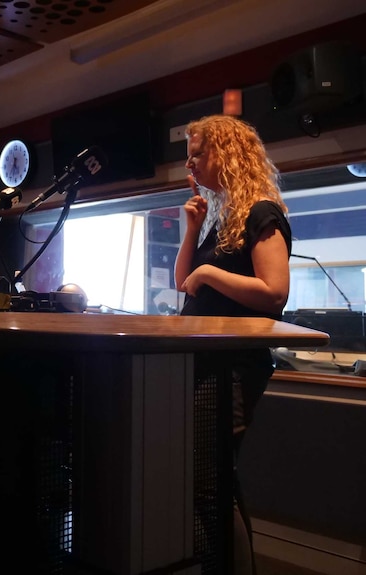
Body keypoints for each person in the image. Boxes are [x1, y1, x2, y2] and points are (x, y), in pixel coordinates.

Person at [174, 114, 291, 575]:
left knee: (208, 480)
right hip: (203, 363)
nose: (190, 162)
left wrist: (209, 272)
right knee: (209, 476)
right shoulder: (223, 218)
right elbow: (185, 282)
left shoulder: (262, 213)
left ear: (227, 152)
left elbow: (275, 293)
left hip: (233, 367)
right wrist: (192, 228)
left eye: (198, 152)